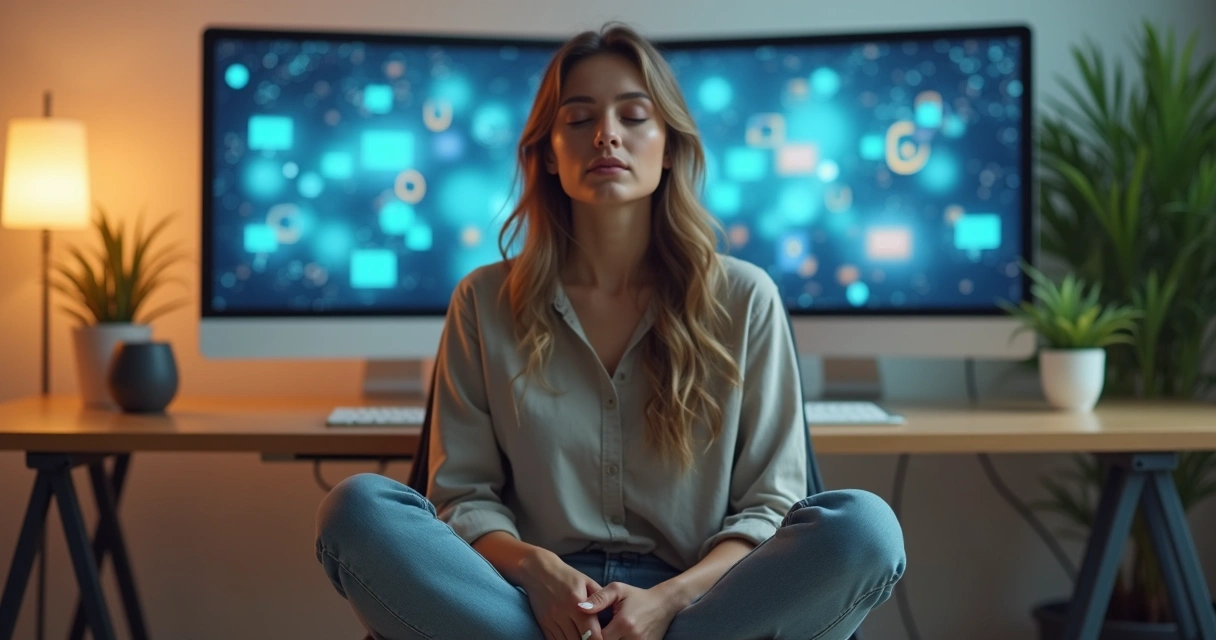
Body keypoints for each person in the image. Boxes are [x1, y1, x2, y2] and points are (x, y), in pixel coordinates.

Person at [316, 22, 905, 640]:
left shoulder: (745, 297)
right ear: (547, 152)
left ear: (670, 145)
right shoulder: (482, 301)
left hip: (699, 607)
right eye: (578, 119)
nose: (606, 135)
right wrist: (539, 573)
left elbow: (770, 508)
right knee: (359, 510)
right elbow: (462, 498)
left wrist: (667, 602)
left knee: (863, 528)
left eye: (634, 116)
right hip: (526, 610)